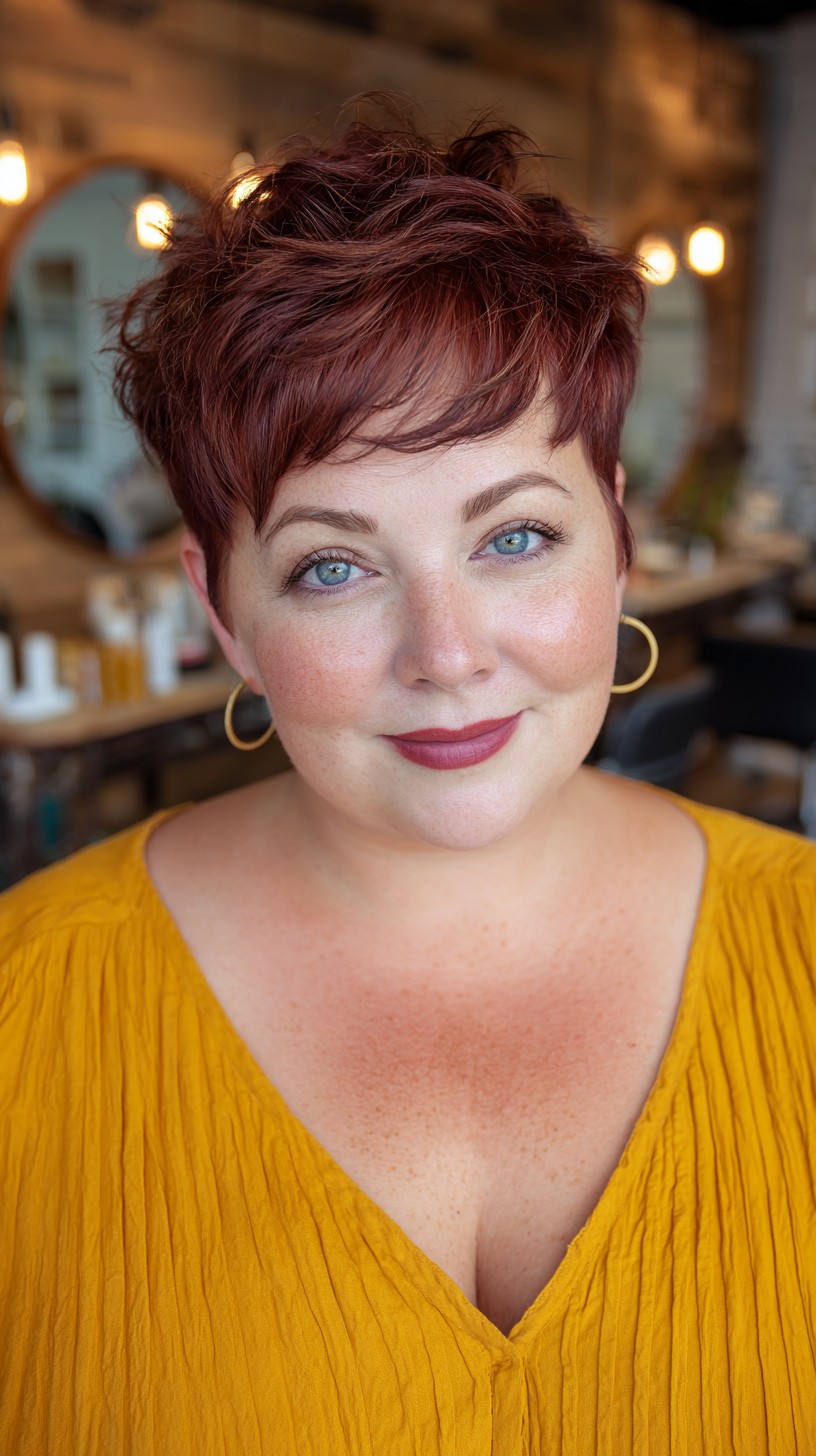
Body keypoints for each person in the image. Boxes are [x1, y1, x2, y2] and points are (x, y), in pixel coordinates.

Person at [1, 109, 814, 1456]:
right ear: (223, 611)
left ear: (615, 534)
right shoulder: (27, 1015)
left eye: (514, 536)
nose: (447, 656)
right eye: (334, 564)